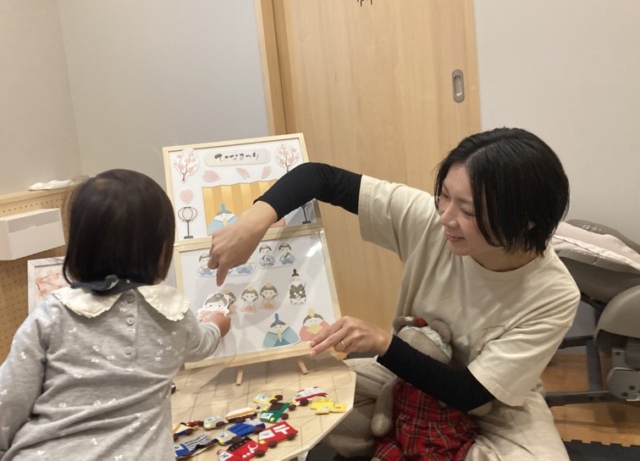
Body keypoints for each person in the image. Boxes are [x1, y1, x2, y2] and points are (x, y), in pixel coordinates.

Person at [207, 127, 581, 460]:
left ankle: (404, 443)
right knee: (301, 396)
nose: (446, 217)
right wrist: (253, 222)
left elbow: (471, 394)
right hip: (405, 383)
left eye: (467, 211)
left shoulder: (554, 293)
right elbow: (319, 177)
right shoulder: (431, 220)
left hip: (493, 408)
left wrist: (384, 344)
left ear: (526, 220)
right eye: (444, 196)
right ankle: (411, 440)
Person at [0, 169, 231, 461]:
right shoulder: (171, 313)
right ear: (161, 251)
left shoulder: (52, 312)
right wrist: (217, 324)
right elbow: (201, 345)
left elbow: (9, 399)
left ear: (78, 247)